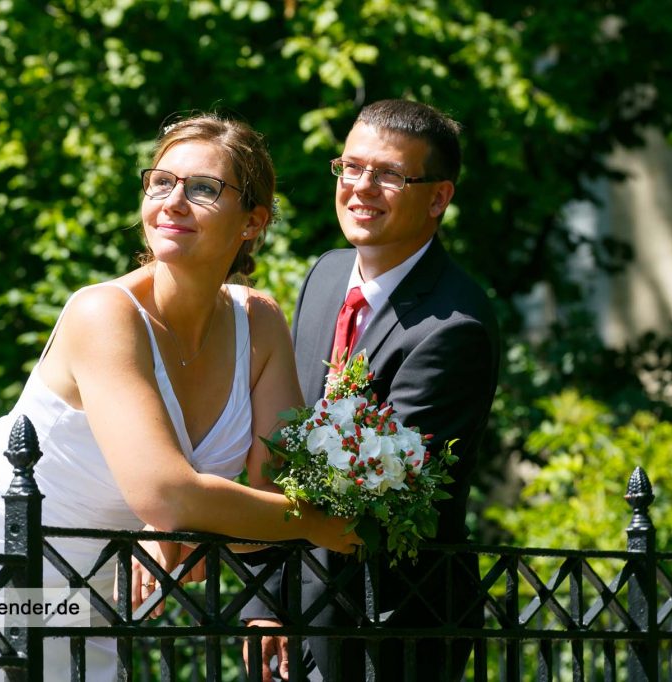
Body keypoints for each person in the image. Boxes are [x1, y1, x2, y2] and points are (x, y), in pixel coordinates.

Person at [0, 113, 360, 682]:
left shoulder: (258, 322)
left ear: (252, 221)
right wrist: (308, 522)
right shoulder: (104, 314)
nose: (172, 201)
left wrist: (198, 530)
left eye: (203, 188)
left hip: (79, 591)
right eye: (160, 182)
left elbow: (275, 487)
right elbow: (168, 492)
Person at [242, 99, 501, 681]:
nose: (361, 188)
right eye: (350, 168)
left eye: (388, 174)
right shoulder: (326, 274)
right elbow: (281, 446)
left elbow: (379, 505)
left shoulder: (454, 326)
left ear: (437, 198)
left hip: (391, 630)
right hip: (292, 617)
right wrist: (266, 606)